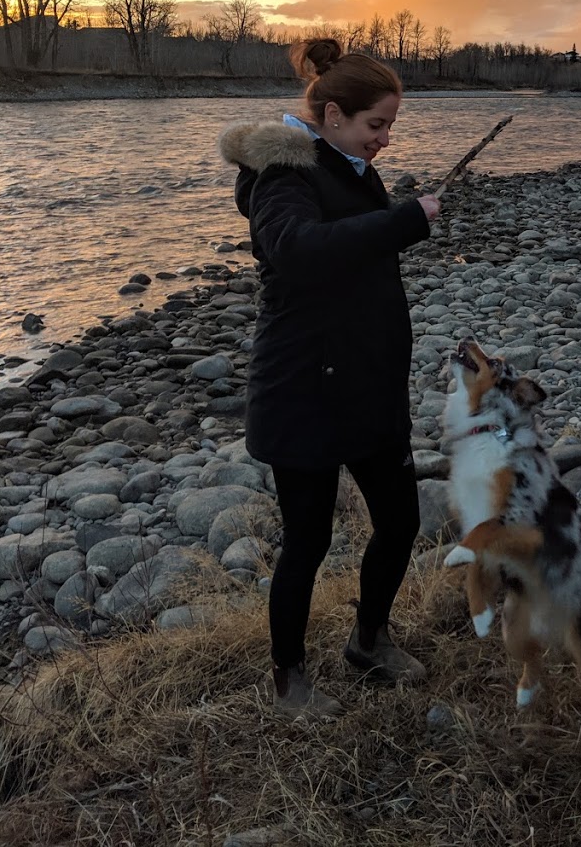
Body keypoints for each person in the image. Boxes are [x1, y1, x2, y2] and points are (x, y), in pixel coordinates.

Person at [219, 38, 441, 717]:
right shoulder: (283, 176)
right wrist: (404, 220)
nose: (384, 138)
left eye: (390, 126)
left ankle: (368, 640)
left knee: (401, 520)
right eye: (377, 124)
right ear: (335, 113)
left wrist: (390, 213)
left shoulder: (347, 165)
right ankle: (289, 681)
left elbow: (353, 246)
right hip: (303, 393)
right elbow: (301, 253)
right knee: (307, 541)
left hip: (366, 388)